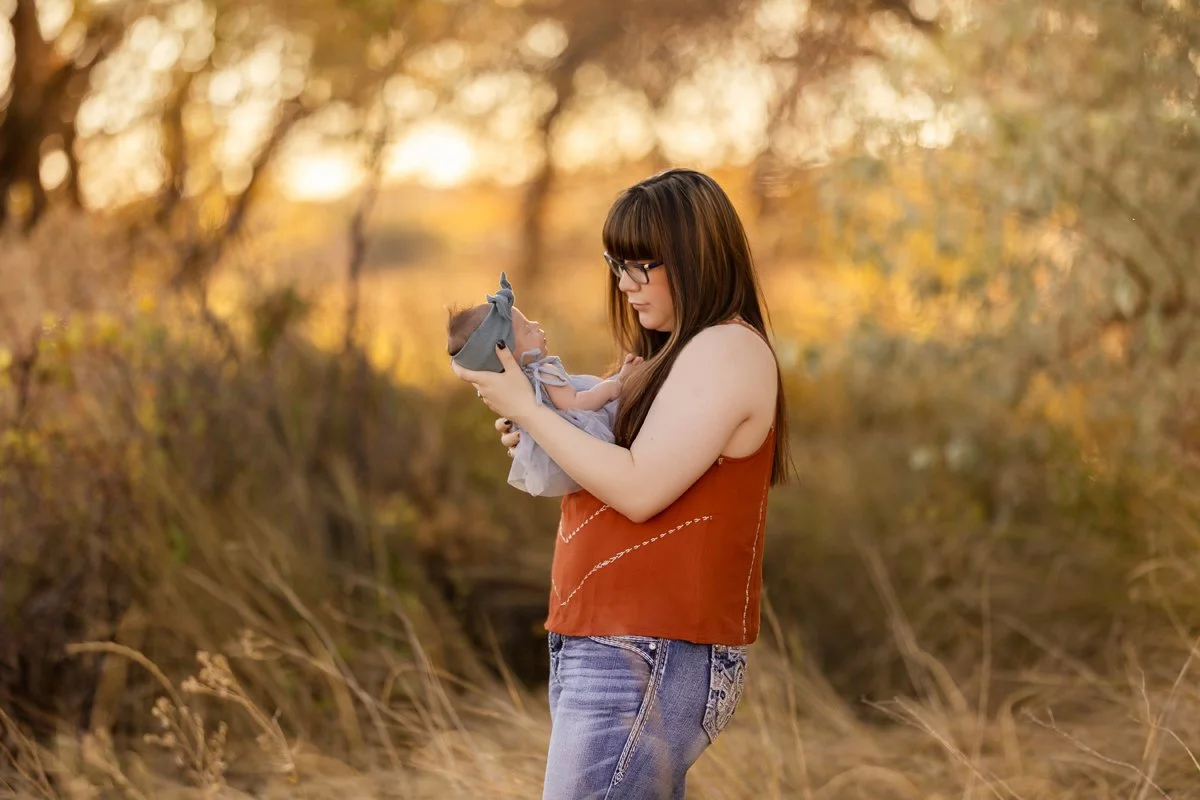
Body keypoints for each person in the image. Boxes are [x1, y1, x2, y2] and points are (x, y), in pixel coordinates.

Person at [450, 168, 792, 799]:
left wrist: (529, 412)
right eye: (617, 263)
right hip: (617, 642)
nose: (626, 283)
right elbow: (609, 466)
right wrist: (550, 425)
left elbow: (638, 489)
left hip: (646, 648)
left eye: (644, 265)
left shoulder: (724, 349)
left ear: (697, 256)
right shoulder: (674, 353)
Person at [447, 271, 644, 496]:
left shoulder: (521, 387)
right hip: (584, 437)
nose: (536, 324)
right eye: (528, 329)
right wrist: (612, 387)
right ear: (508, 355)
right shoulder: (544, 373)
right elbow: (575, 403)